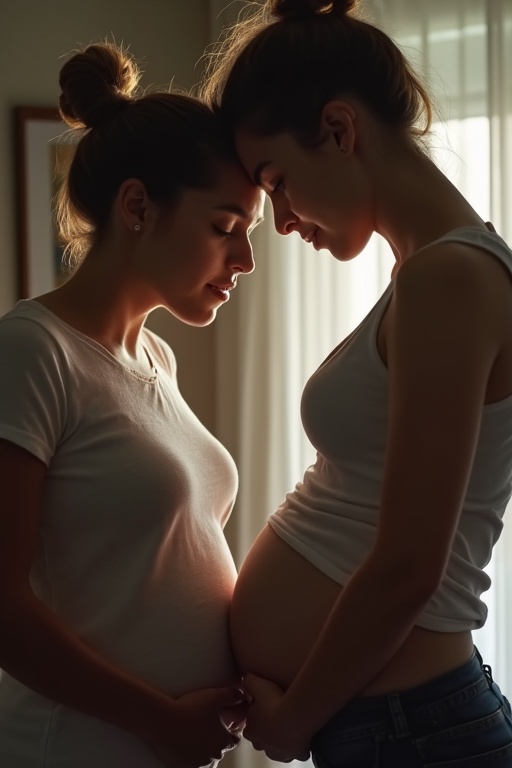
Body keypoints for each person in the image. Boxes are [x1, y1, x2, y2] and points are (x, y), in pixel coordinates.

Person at [199, 0, 512, 765]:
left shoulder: (450, 277)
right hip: (396, 723)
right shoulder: (428, 274)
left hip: (412, 730)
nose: (279, 221)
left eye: (277, 182)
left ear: (339, 131)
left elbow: (410, 564)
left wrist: (293, 719)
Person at [0, 41, 263, 768]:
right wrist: (160, 720)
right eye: (224, 228)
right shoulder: (32, 352)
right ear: (138, 206)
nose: (243, 261)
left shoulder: (157, 359)